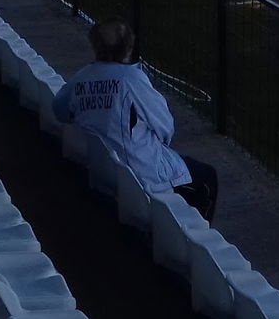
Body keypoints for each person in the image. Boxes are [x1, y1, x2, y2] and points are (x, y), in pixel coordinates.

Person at [52, 18, 218, 221]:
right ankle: (189, 236)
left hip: (103, 168)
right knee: (207, 177)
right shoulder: (132, 79)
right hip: (139, 173)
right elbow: (165, 127)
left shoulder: (82, 77)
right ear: (128, 48)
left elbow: (60, 111)